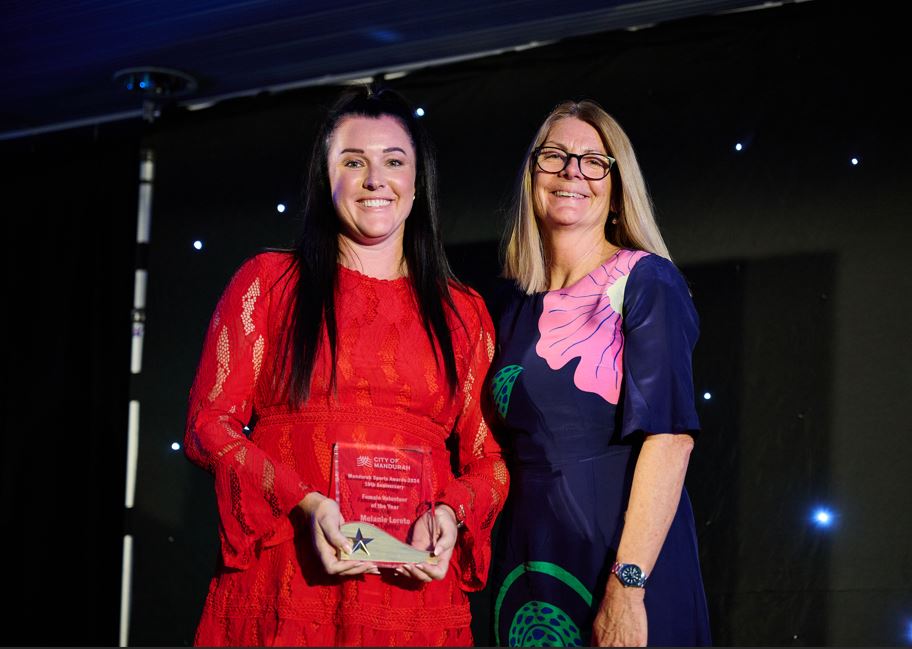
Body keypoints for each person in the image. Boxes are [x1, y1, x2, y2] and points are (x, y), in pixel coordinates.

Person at [184, 86, 508, 646]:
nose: (374, 178)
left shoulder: (464, 313)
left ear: (417, 184)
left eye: (394, 162)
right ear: (325, 178)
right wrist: (305, 504)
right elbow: (209, 426)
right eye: (353, 161)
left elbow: (490, 462)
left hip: (409, 594)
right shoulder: (268, 284)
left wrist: (452, 517)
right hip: (290, 579)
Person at [487, 99, 711, 647]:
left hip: (619, 562)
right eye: (556, 156)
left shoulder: (646, 281)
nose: (572, 172)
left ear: (616, 188)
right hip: (528, 561)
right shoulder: (512, 304)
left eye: (594, 161)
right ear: (531, 176)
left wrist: (628, 587)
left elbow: (670, 439)